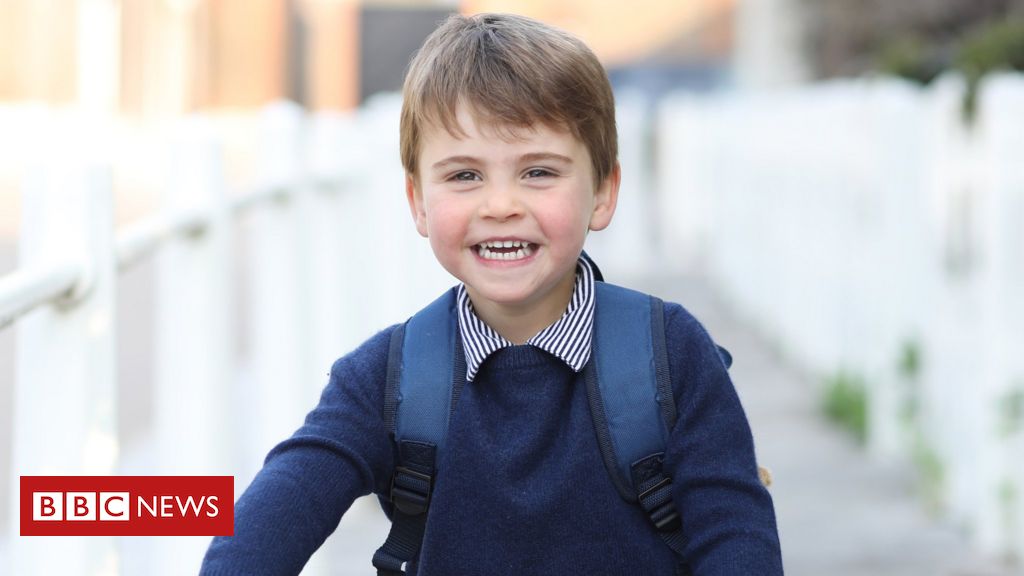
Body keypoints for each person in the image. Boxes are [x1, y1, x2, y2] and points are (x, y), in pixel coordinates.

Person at [201, 12, 782, 575]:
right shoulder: (384, 380)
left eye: (538, 172)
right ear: (418, 202)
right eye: (464, 175)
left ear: (603, 192)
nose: (500, 205)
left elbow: (736, 535)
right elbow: (279, 508)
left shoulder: (671, 357)